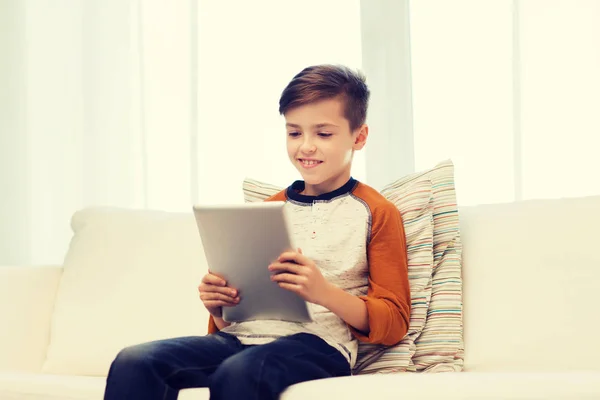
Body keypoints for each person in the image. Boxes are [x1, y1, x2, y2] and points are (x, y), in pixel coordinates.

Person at [103, 64, 411, 400]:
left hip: (320, 345)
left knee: (240, 372)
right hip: (242, 338)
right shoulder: (266, 210)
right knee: (135, 361)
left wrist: (323, 292)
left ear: (359, 136)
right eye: (294, 133)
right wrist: (217, 306)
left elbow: (394, 321)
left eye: (323, 134)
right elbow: (229, 323)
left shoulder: (377, 212)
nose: (306, 147)